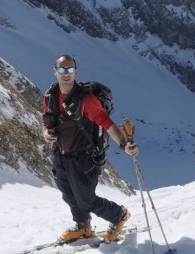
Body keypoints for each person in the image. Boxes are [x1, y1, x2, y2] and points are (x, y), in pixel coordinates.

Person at [42, 54, 139, 243]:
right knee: (68, 194)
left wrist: (124, 145)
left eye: (70, 70)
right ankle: (82, 227)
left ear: (76, 72)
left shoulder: (85, 99)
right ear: (55, 72)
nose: (66, 74)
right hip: (61, 155)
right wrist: (45, 132)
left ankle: (119, 214)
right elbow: (45, 119)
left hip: (84, 158)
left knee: (86, 199)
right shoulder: (51, 95)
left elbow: (107, 123)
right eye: (62, 70)